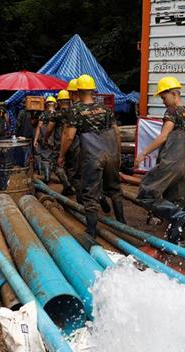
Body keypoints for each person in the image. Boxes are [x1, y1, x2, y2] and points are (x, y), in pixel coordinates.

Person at [59, 74, 126, 237]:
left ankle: (91, 231)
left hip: (92, 155)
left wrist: (61, 155)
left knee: (90, 193)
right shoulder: (105, 109)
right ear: (93, 90)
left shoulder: (76, 110)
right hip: (111, 153)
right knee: (115, 189)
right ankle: (122, 224)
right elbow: (117, 133)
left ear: (79, 91)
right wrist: (117, 154)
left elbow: (69, 136)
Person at [133, 76, 185, 243]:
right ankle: (172, 243)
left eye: (164, 97)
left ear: (173, 93)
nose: (163, 101)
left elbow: (163, 136)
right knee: (175, 202)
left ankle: (178, 217)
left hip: (172, 163)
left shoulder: (172, 111)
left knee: (146, 193)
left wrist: (143, 153)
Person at [46, 90, 75, 195]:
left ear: (58, 101)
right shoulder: (74, 112)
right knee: (71, 166)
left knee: (56, 165)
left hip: (59, 145)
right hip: (73, 145)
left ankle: (67, 186)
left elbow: (49, 129)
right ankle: (74, 187)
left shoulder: (56, 114)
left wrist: (45, 139)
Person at [34, 96, 58, 182]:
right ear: (55, 104)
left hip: (43, 138)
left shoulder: (43, 114)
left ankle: (44, 176)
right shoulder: (58, 114)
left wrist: (35, 140)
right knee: (48, 158)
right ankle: (47, 176)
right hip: (54, 140)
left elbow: (38, 127)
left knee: (42, 156)